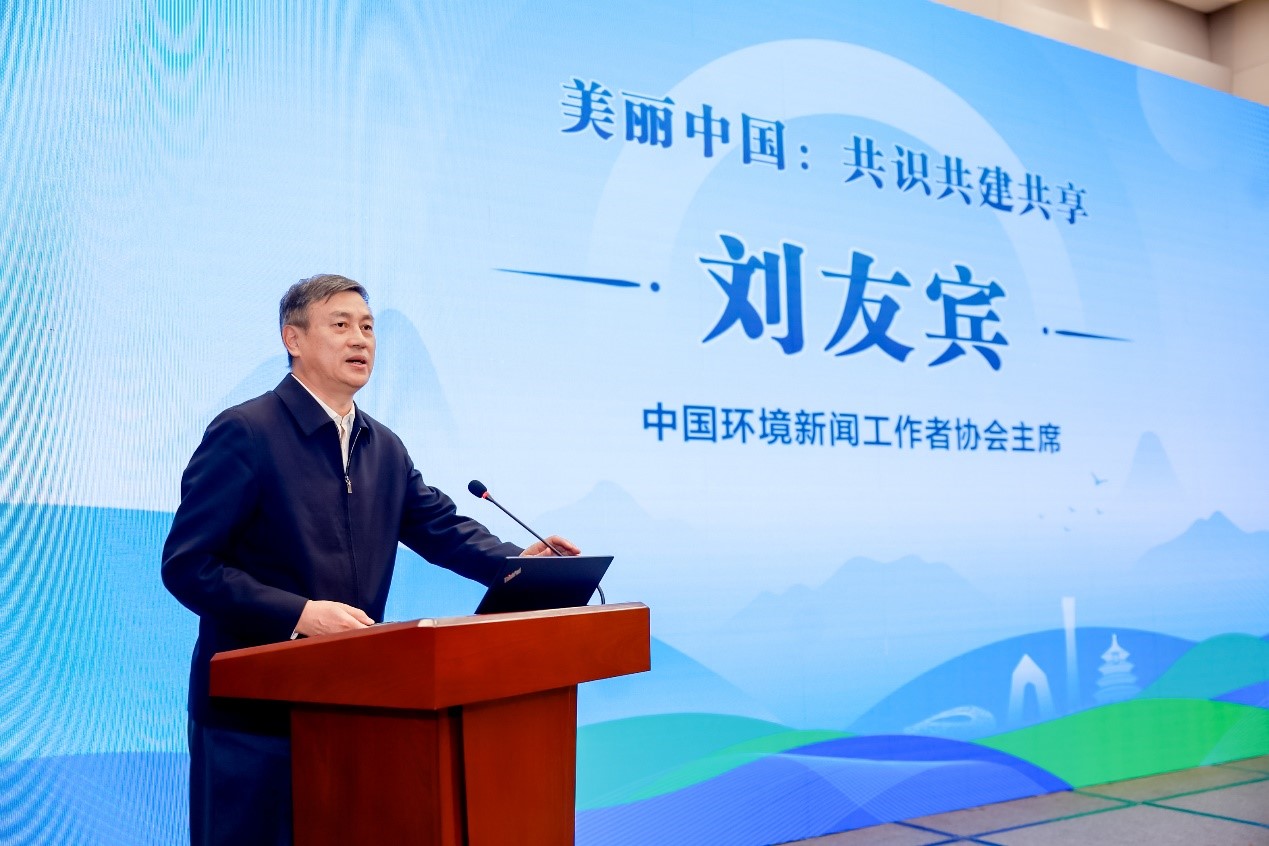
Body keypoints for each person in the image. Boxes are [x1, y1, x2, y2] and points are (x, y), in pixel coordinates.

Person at [161, 274, 578, 846]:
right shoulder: (246, 432)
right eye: (340, 325)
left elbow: (441, 528)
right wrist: (299, 614)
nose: (360, 339)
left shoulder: (383, 446)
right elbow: (188, 565)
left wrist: (519, 563)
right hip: (254, 722)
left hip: (353, 707)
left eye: (367, 327)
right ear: (293, 339)